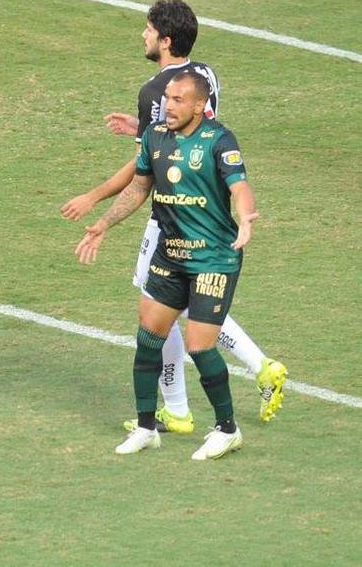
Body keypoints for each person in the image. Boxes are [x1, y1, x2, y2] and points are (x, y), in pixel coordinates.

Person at [62, 0, 286, 429]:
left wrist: (94, 198)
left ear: (165, 40)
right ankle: (247, 373)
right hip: (210, 204)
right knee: (178, 303)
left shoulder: (155, 91)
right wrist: (142, 126)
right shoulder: (202, 75)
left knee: (160, 305)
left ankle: (188, 404)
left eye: (148, 30)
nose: (142, 36)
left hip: (174, 211)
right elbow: (170, 135)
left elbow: (144, 169)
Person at [77, 70, 257, 460]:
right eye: (168, 99)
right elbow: (140, 186)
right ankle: (146, 428)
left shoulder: (218, 141)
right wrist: (104, 224)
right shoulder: (156, 137)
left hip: (213, 257)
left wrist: (245, 218)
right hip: (170, 255)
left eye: (178, 100)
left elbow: (239, 188)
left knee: (198, 345)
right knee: (148, 337)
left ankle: (228, 429)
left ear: (199, 105)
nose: (168, 106)